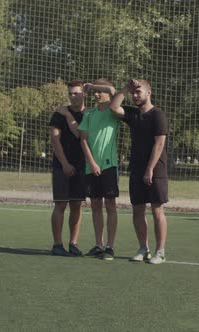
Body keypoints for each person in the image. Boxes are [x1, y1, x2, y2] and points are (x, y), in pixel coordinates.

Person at [57, 79, 121, 261]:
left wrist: (92, 86)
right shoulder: (90, 114)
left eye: (99, 92)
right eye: (94, 93)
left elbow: (112, 89)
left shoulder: (112, 111)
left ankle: (110, 247)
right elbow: (82, 138)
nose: (97, 94)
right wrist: (92, 163)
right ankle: (99, 245)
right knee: (95, 206)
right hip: (90, 167)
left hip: (109, 165)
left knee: (110, 205)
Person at [109, 79, 168, 264]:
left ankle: (160, 251)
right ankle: (143, 248)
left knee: (157, 211)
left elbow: (159, 144)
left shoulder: (158, 115)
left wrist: (149, 169)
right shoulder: (133, 114)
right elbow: (113, 107)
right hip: (136, 169)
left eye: (138, 92)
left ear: (148, 93)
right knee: (137, 212)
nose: (135, 95)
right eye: (133, 93)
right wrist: (126, 88)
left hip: (155, 170)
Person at [48, 80, 88, 256]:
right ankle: (57, 244)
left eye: (76, 93)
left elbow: (80, 135)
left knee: (77, 205)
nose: (73, 97)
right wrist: (64, 164)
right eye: (70, 93)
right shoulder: (58, 114)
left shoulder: (90, 114)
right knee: (60, 205)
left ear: (84, 94)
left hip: (81, 166)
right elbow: (55, 141)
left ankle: (73, 243)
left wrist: (68, 115)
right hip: (61, 166)